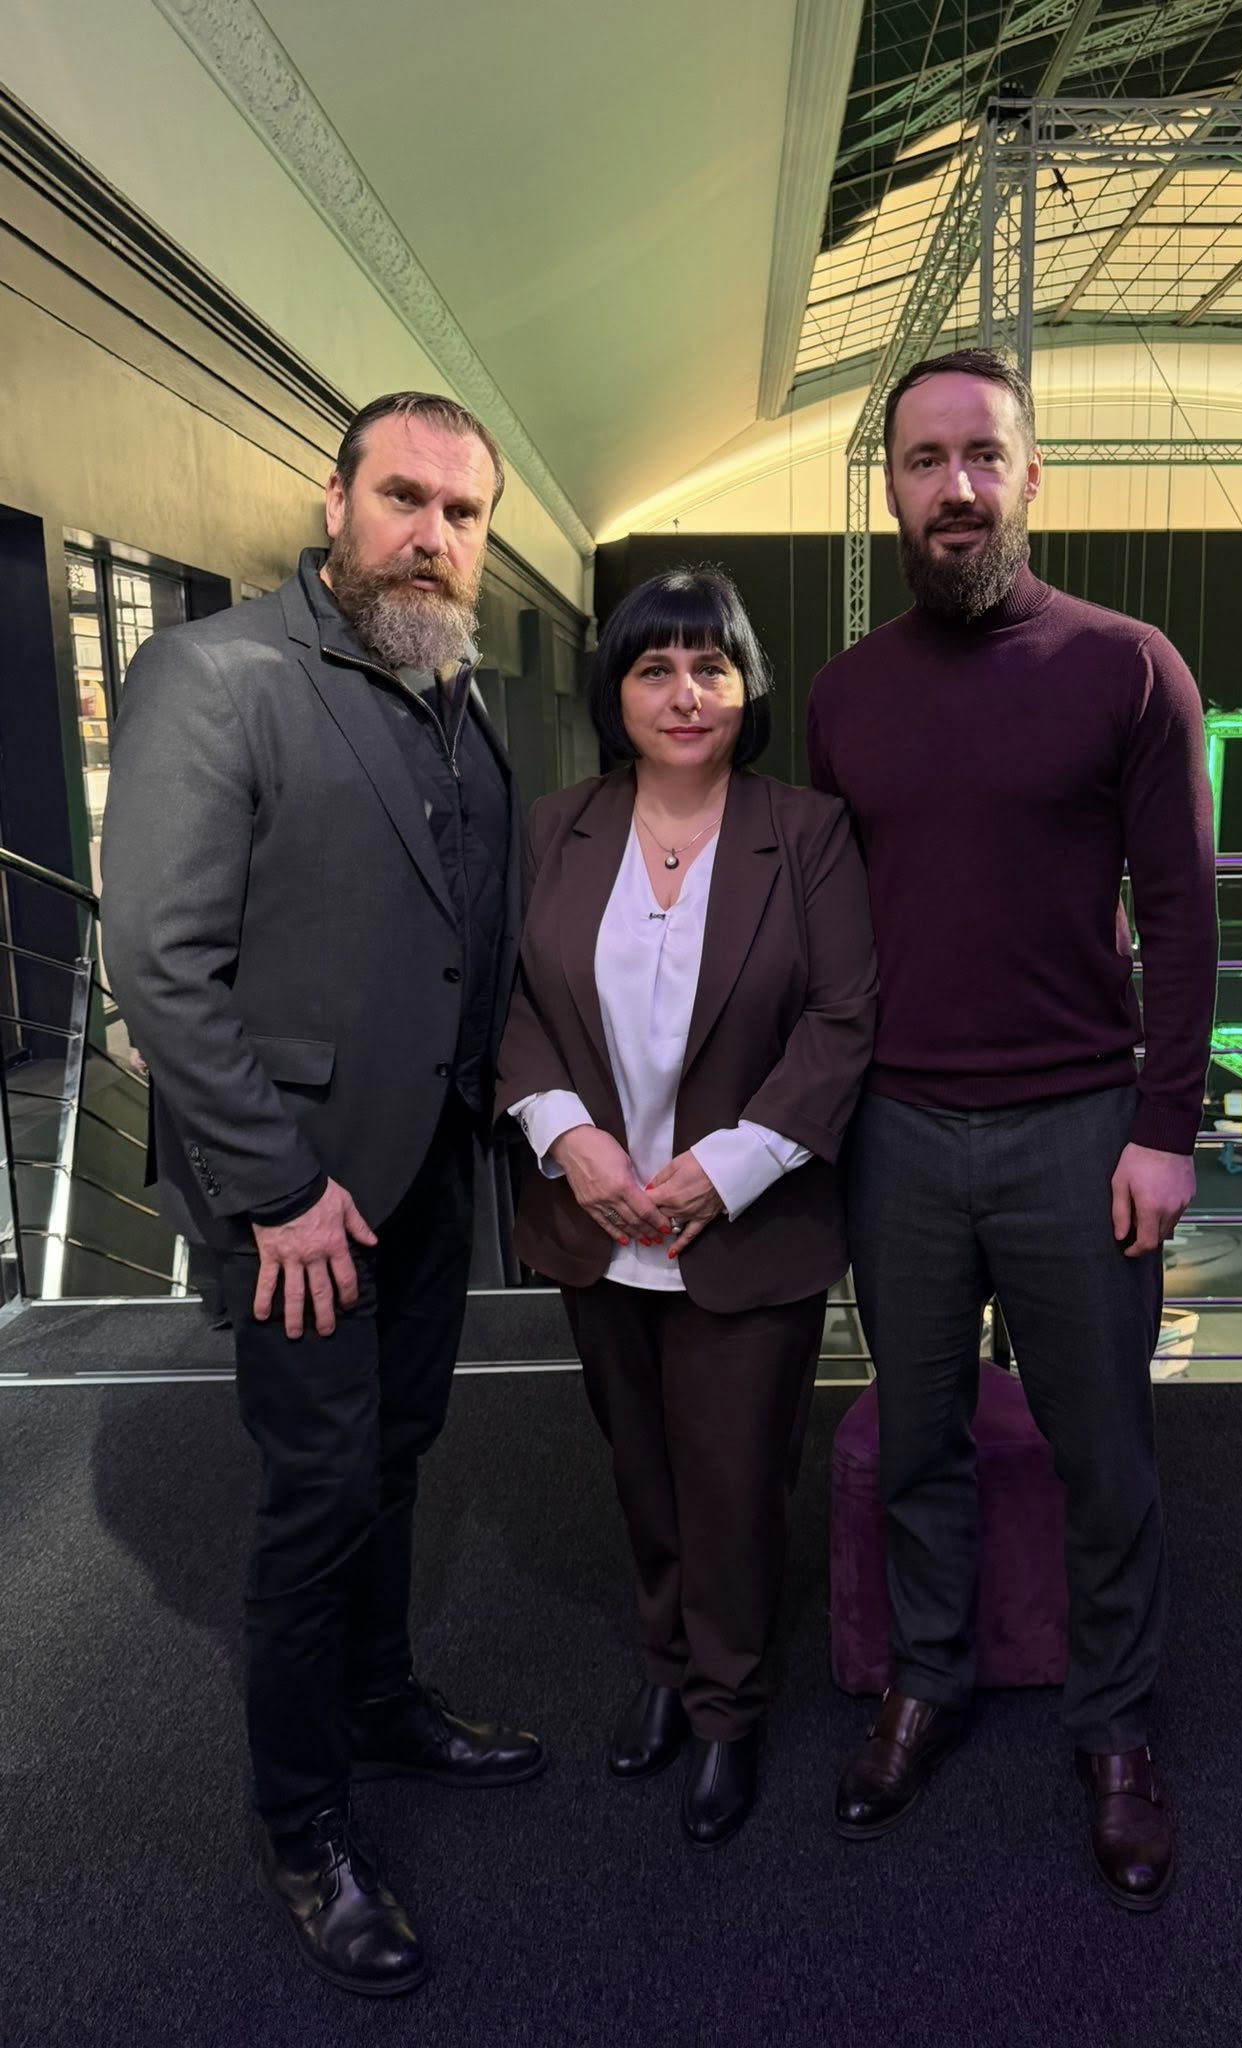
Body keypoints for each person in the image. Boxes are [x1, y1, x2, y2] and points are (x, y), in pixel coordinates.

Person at [101, 392, 544, 1996]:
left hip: (424, 1169)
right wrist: (278, 1189)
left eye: (462, 514)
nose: (433, 535)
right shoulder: (215, 674)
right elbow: (158, 961)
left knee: (397, 1456)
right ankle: (303, 1826)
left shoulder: (452, 691)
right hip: (296, 1195)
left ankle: (379, 1702)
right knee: (315, 1497)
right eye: (404, 498)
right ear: (335, 501)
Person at [808, 348, 1217, 1910]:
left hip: (1080, 1130)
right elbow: (825, 926)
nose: (957, 486)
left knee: (1105, 1452)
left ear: (1032, 476)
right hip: (899, 1135)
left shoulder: (1128, 668)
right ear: (893, 489)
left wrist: (1165, 1125)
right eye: (925, 460)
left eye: (984, 455)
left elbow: (1181, 915)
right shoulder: (845, 697)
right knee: (917, 1441)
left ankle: (1113, 1728)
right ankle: (927, 1681)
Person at [498, 567, 876, 1848]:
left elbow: (843, 1020)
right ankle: (667, 1662)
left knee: (734, 1479)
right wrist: (570, 1139)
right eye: (654, 667)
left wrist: (732, 1165)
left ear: (745, 684)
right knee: (641, 1467)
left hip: (744, 1221)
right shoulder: (556, 826)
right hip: (600, 1222)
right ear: (615, 689)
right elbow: (511, 1002)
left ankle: (727, 1704)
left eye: (710, 666)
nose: (684, 692)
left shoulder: (806, 831)